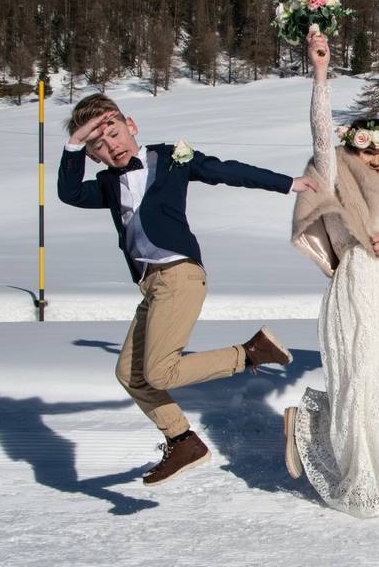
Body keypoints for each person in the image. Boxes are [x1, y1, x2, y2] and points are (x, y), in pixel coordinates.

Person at [58, 93, 319, 486]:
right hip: (152, 285)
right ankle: (182, 440)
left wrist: (288, 183)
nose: (111, 145)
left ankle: (250, 353)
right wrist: (73, 144)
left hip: (179, 274)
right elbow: (69, 193)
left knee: (160, 371)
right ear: (93, 155)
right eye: (98, 144)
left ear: (131, 125)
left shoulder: (170, 159)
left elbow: (225, 171)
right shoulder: (107, 184)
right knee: (130, 374)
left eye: (112, 133)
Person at [284, 31, 379, 518]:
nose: (375, 159)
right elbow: (321, 133)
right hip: (356, 282)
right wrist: (321, 73)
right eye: (368, 150)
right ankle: (355, 463)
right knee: (363, 376)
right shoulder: (336, 174)